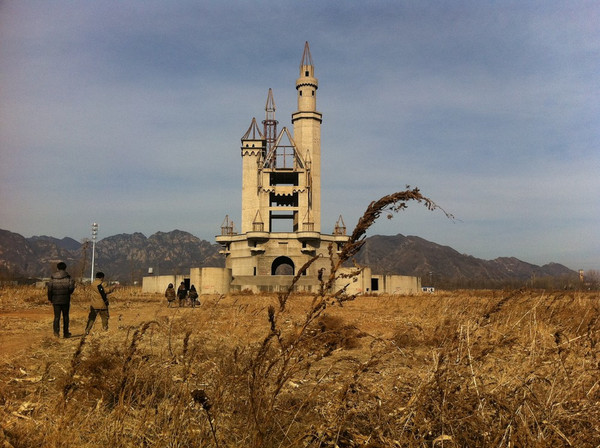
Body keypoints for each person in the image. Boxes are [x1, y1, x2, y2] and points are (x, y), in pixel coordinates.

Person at [47, 261, 76, 338]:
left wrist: (50, 298)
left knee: (57, 317)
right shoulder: (68, 278)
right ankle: (66, 333)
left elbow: (50, 289)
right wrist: (68, 293)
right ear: (65, 268)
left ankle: (56, 333)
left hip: (55, 300)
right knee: (65, 316)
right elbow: (71, 289)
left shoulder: (52, 278)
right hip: (65, 299)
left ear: (57, 268)